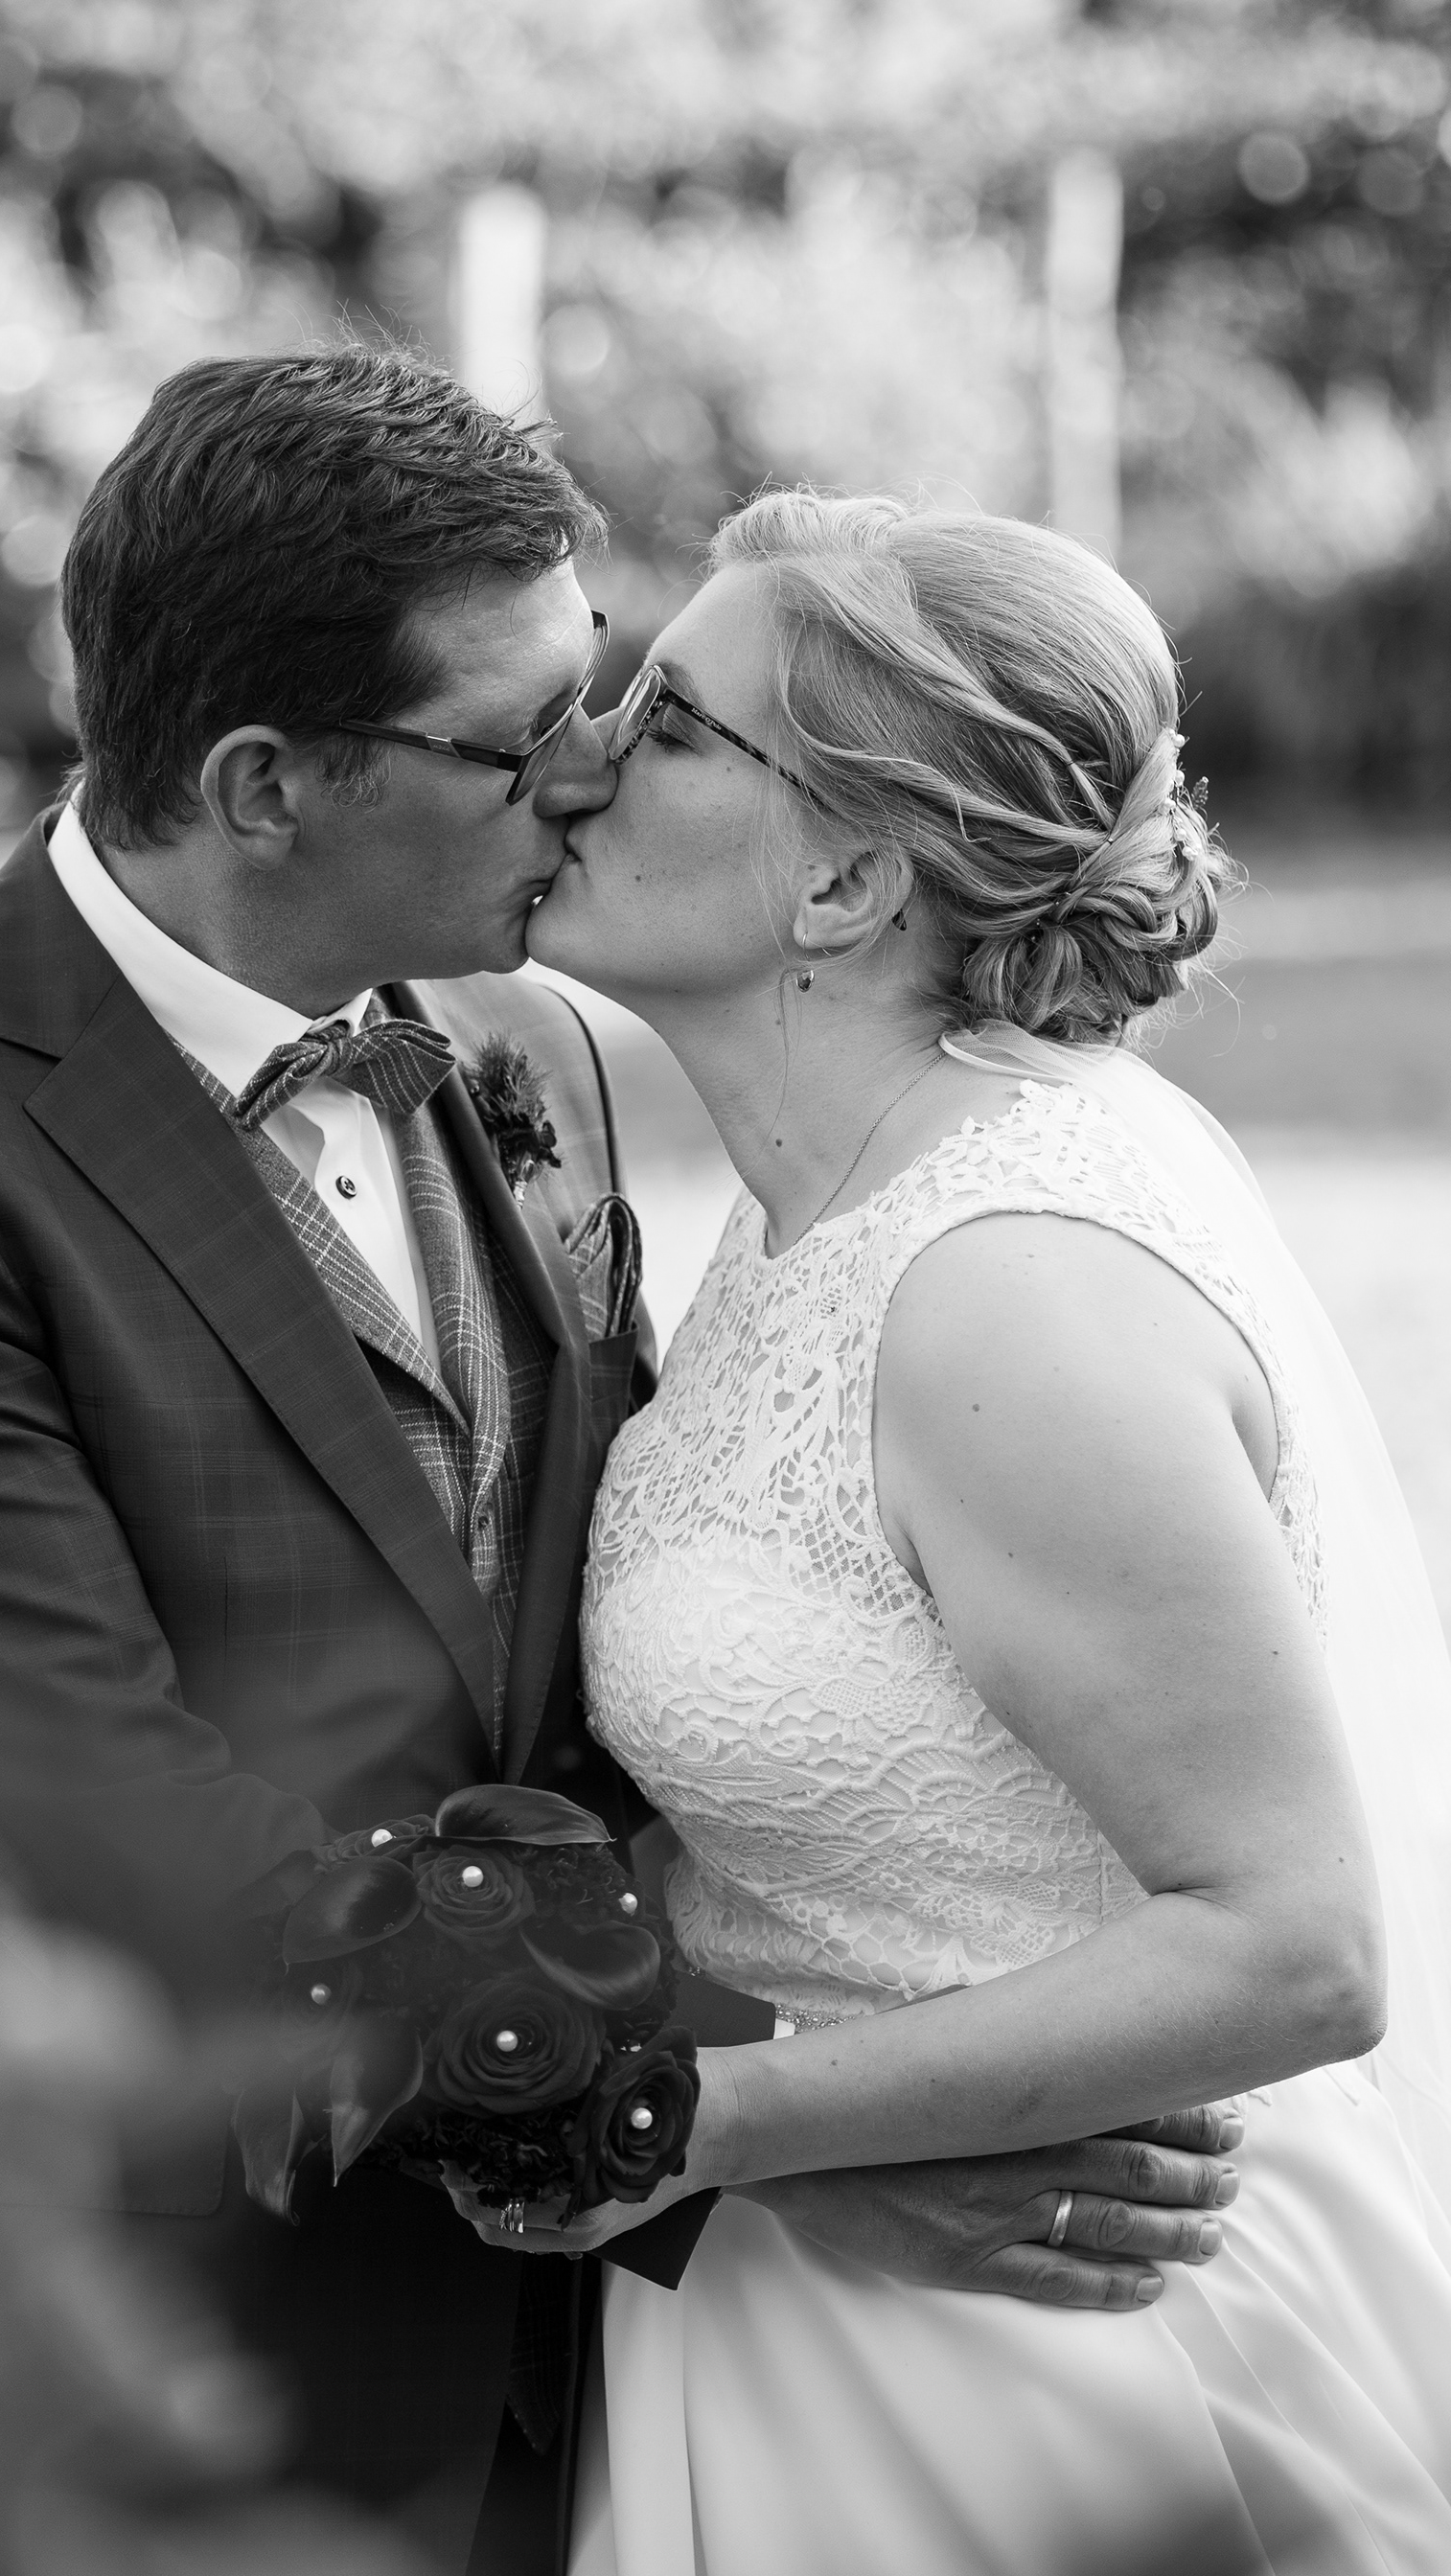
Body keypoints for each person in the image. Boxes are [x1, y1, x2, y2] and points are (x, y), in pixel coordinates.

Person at [0, 360, 1239, 2576]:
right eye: (518, 738)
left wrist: (799, 2095)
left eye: (601, 688)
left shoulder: (531, 1044)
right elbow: (116, 1839)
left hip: (524, 2384)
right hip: (66, 2388)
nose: (594, 772)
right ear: (265, 785)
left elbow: (598, 1676)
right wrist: (712, 2128)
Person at [496, 488, 1451, 2574]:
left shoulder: (1009, 1291)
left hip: (1083, 2362)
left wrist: (694, 2124)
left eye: (666, 724)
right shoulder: (817, 1202)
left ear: (844, 879)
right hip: (820, 2330)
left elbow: (1295, 1942)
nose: (571, 758)